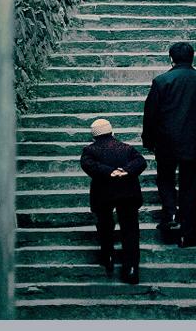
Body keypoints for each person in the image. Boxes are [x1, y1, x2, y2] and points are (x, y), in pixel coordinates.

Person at [142, 41, 196, 247]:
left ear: (171, 58)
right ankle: (188, 234)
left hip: (166, 142)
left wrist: (148, 139)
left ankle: (171, 213)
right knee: (191, 186)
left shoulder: (161, 81)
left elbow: (151, 114)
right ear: (192, 58)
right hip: (195, 143)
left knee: (165, 178)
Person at [80, 118, 147, 284]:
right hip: (127, 193)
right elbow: (141, 161)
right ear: (112, 132)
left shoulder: (90, 150)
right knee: (130, 230)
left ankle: (108, 256)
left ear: (94, 136)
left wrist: (109, 171)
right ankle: (131, 269)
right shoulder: (126, 148)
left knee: (105, 225)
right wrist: (125, 171)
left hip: (103, 194)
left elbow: (87, 164)